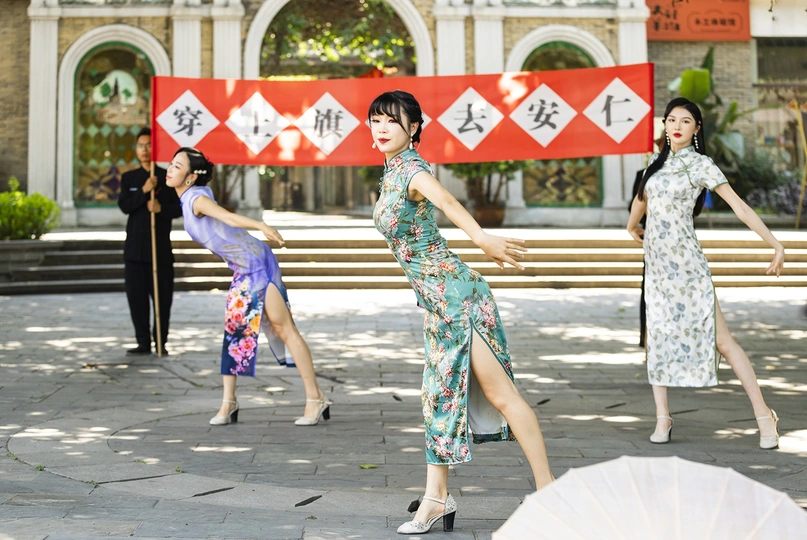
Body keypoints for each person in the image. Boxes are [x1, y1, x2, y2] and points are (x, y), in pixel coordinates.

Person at [369, 90, 553, 535]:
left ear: (414, 127)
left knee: (502, 396)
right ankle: (436, 498)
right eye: (375, 119)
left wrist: (483, 239)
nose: (381, 126)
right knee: (437, 397)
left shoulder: (413, 170)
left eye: (392, 120)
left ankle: (550, 494)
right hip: (437, 303)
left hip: (458, 298)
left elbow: (449, 203)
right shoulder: (392, 171)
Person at [627, 97, 785, 449]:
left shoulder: (701, 165)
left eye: (685, 121)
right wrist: (631, 226)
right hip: (657, 270)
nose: (677, 126)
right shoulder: (655, 162)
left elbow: (740, 207)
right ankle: (663, 417)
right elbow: (643, 197)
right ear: (665, 126)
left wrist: (775, 244)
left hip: (688, 267)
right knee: (658, 339)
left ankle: (764, 416)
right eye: (671, 120)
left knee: (723, 341)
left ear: (697, 129)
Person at [165, 147, 328, 427]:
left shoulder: (196, 199)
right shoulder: (190, 197)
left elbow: (226, 217)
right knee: (235, 332)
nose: (170, 168)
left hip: (257, 263)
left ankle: (315, 398)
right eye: (171, 163)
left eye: (177, 166)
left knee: (284, 328)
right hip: (242, 268)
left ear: (191, 177)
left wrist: (259, 224)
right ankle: (229, 403)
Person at [118, 127, 181, 355]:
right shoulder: (129, 178)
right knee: (137, 299)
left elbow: (179, 209)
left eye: (149, 145)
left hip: (160, 251)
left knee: (162, 300)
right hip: (135, 251)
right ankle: (143, 342)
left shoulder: (168, 177)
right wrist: (144, 191)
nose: (144, 150)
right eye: (140, 146)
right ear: (136, 150)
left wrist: (161, 208)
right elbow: (125, 206)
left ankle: (160, 342)